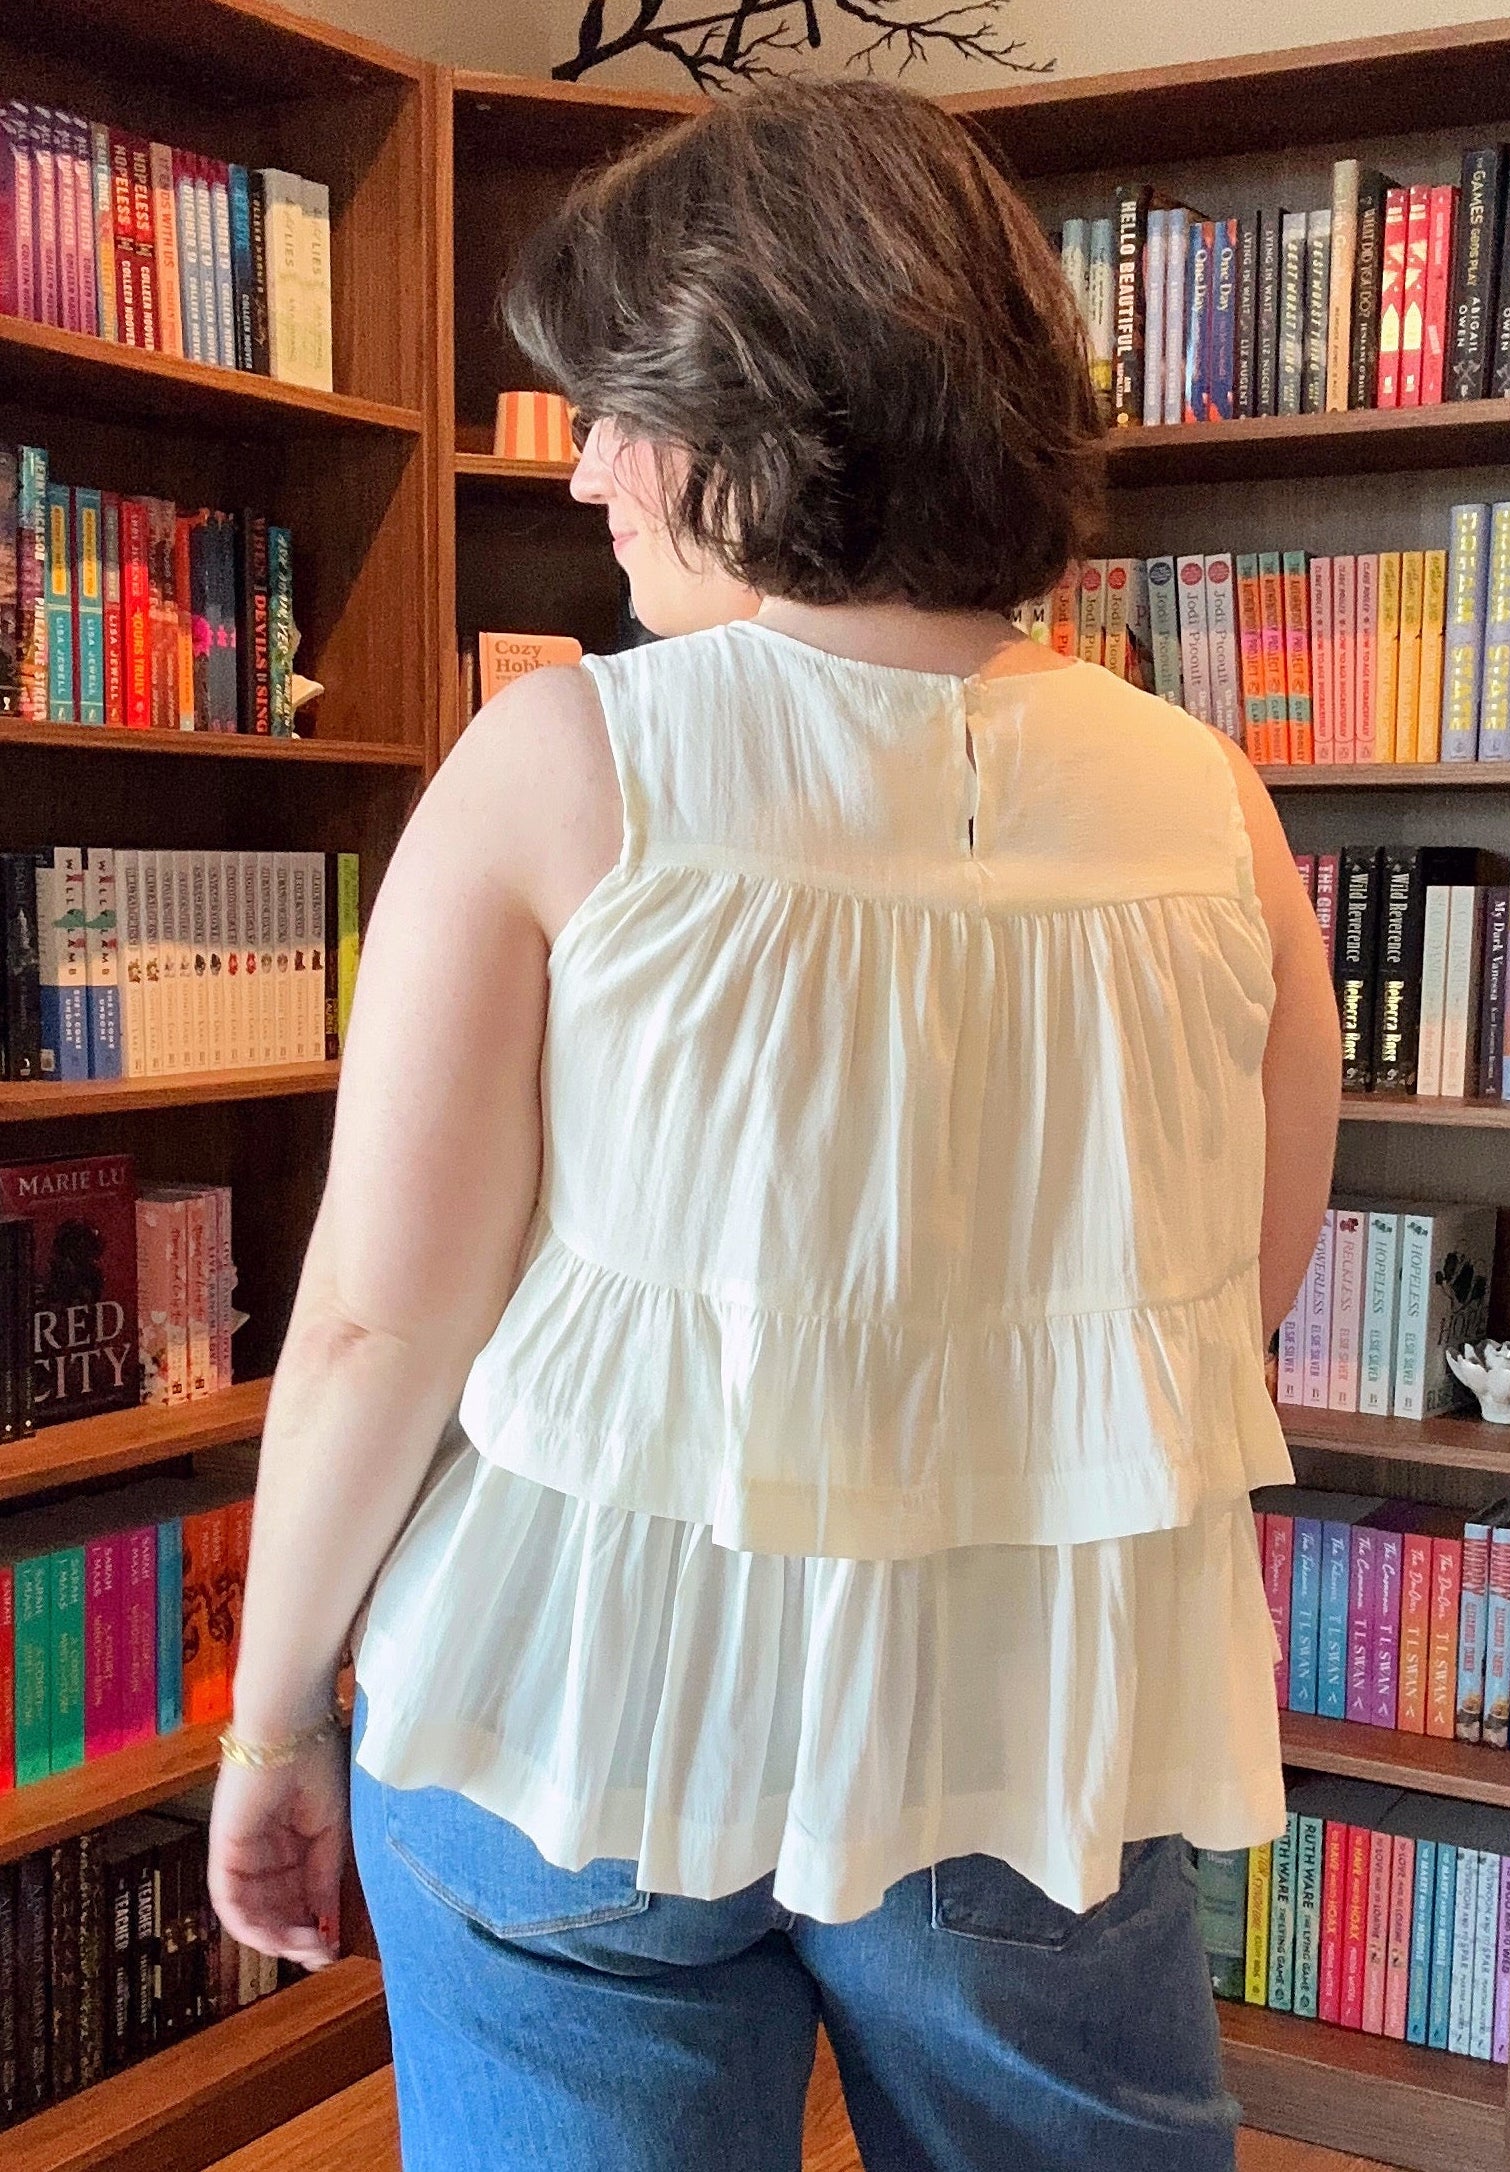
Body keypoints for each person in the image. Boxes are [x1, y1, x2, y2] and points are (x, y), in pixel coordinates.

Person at [208, 76, 1341, 2172]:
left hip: (570, 1708)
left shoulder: (557, 758)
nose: (582, 465)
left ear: (759, 407)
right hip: (1016, 1732)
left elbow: (377, 1322)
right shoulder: (1211, 803)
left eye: (615, 407)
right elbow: (1224, 1304)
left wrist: (270, 1718)